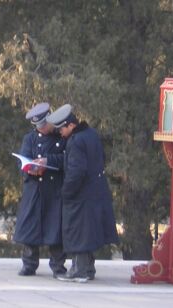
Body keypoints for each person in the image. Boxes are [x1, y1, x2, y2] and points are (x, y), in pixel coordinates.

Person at [46, 104, 119, 282]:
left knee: (78, 232)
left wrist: (66, 192)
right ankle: (88, 269)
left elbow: (76, 171)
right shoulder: (91, 134)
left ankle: (79, 270)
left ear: (70, 125)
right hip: (96, 191)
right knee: (88, 232)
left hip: (80, 195)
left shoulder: (76, 141)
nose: (61, 133)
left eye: (62, 128)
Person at [13, 102, 67, 278]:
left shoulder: (61, 137)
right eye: (39, 126)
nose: (43, 129)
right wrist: (31, 167)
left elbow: (66, 159)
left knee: (55, 228)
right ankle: (29, 264)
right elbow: (22, 160)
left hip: (53, 189)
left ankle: (58, 266)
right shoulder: (29, 138)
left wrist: (47, 161)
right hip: (34, 188)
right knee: (30, 227)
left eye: (45, 125)